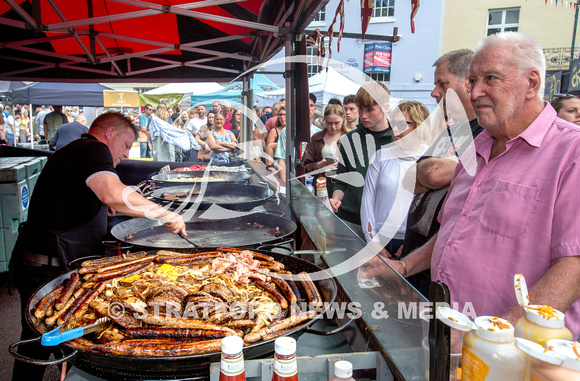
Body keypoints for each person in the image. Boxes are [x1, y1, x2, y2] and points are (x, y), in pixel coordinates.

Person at [391, 32, 580, 339]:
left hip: (511, 358)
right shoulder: (475, 147)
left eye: (490, 78)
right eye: (473, 80)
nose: (476, 91)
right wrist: (403, 267)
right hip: (444, 340)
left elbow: (572, 271)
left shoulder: (571, 153)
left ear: (532, 83)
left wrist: (489, 339)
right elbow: (453, 233)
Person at [9, 111, 186, 380]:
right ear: (109, 133)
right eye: (126, 145)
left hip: (46, 264)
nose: (126, 154)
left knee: (48, 343)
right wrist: (164, 214)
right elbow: (113, 194)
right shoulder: (93, 149)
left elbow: (103, 203)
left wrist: (129, 204)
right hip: (46, 269)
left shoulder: (77, 153)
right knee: (41, 344)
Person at [397, 49, 485, 297]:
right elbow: (410, 181)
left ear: (468, 83)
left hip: (440, 274)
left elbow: (432, 173)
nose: (434, 92)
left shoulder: (484, 133)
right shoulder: (452, 131)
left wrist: (434, 172)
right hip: (416, 259)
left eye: (442, 84)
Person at [361, 101, 430, 257]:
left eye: (402, 124)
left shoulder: (430, 159)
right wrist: (373, 241)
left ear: (418, 126)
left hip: (413, 241)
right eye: (394, 124)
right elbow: (368, 200)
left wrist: (413, 243)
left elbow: (430, 208)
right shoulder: (381, 156)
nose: (395, 130)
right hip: (380, 239)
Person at [329, 82, 393, 237]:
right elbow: (342, 179)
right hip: (351, 220)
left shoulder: (397, 139)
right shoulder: (350, 139)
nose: (363, 115)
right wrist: (336, 199)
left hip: (385, 224)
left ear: (385, 107)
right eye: (361, 109)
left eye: (370, 109)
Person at [303, 100, 348, 196]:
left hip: (344, 186)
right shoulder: (316, 138)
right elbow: (305, 166)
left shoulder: (350, 137)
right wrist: (319, 165)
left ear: (343, 119)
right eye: (329, 123)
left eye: (337, 123)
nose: (333, 127)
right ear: (324, 120)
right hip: (321, 184)